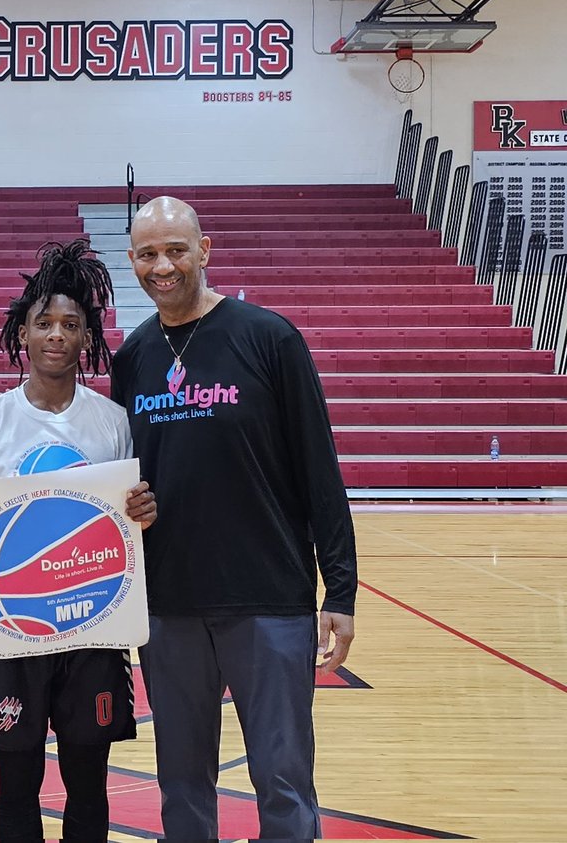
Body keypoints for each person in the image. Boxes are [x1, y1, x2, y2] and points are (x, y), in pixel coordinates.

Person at [111, 196, 357, 840]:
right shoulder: (133, 358)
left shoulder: (269, 338)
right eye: (147, 254)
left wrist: (341, 588)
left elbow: (319, 469)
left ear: (205, 251)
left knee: (282, 779)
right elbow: (125, 477)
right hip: (169, 602)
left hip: (268, 597)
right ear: (132, 260)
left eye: (175, 250)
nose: (162, 266)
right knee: (183, 783)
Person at [0, 239, 157, 843]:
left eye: (71, 324)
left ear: (88, 338)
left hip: (93, 622)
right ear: (22, 336)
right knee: (17, 774)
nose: (57, 334)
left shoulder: (112, 422)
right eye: (44, 323)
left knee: (89, 774)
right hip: (12, 629)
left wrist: (141, 509)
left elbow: (129, 521)